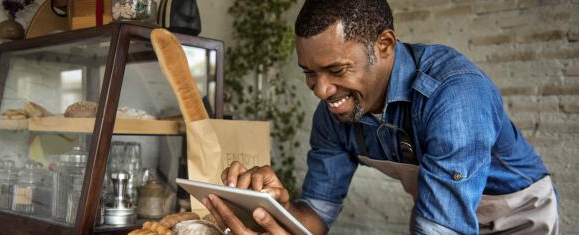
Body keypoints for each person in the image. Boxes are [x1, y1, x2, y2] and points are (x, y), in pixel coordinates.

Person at [203, 0, 559, 234]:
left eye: (336, 69)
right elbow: (315, 215)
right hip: (441, 214)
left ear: (384, 45)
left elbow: (442, 228)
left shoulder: (453, 93)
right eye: (309, 72)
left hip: (517, 214)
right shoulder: (334, 113)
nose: (322, 90)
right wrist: (273, 210)